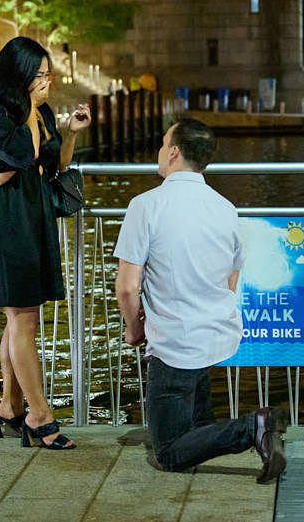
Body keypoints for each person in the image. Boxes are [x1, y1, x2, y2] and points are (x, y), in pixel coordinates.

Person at [114, 117, 288, 482]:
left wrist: (134, 329)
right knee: (198, 423)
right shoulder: (224, 207)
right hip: (217, 333)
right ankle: (240, 432)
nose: (160, 151)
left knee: (169, 453)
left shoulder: (146, 205)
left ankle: (253, 428)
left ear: (174, 152)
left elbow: (128, 286)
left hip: (175, 342)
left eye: (163, 144)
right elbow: (232, 276)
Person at [0, 36, 91, 450]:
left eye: (47, 74)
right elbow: (21, 156)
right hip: (8, 224)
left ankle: (8, 409)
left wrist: (69, 132)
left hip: (33, 219)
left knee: (19, 320)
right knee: (24, 321)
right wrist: (35, 115)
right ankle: (40, 416)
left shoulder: (38, 111)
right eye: (39, 74)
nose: (46, 82)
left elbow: (54, 162)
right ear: (18, 73)